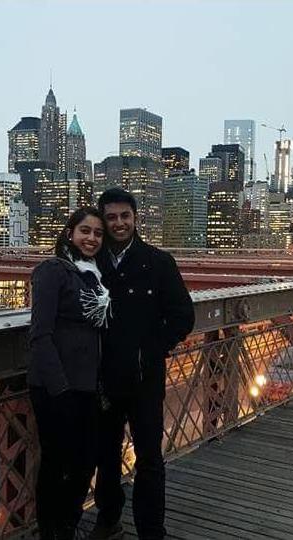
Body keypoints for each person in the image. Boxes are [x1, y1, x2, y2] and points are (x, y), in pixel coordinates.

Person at [90, 188, 195, 540]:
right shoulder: (90, 262)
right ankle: (108, 519)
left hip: (144, 379)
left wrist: (151, 350)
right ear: (103, 221)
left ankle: (152, 532)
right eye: (111, 217)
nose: (119, 223)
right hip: (102, 379)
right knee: (105, 455)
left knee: (149, 458)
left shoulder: (158, 262)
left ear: (135, 218)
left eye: (124, 216)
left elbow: (183, 316)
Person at [28, 207, 110, 540]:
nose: (91, 238)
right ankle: (52, 531)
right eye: (85, 231)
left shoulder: (96, 277)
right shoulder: (53, 270)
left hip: (88, 386)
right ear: (69, 233)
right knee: (56, 463)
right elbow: (40, 333)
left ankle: (67, 524)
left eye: (98, 233)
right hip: (56, 387)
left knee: (84, 460)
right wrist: (59, 389)